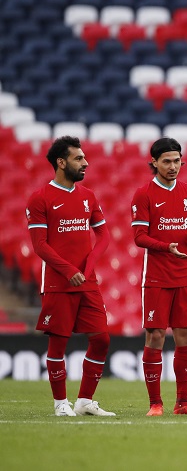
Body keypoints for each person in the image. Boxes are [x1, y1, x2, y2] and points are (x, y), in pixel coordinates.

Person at [26, 136, 116, 417]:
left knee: (101, 339)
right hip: (58, 282)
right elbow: (40, 244)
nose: (85, 162)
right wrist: (69, 271)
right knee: (59, 342)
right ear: (61, 162)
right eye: (79, 158)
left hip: (86, 280)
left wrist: (87, 268)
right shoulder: (40, 198)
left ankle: (85, 400)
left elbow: (103, 235)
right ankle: (60, 404)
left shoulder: (88, 196)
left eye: (84, 157)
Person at [131, 137, 187, 416]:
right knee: (155, 335)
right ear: (154, 163)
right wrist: (164, 246)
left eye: (176, 161)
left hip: (184, 275)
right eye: (166, 161)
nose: (172, 166)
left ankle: (183, 402)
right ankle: (155, 403)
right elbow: (139, 237)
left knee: (186, 334)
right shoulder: (143, 194)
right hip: (156, 276)